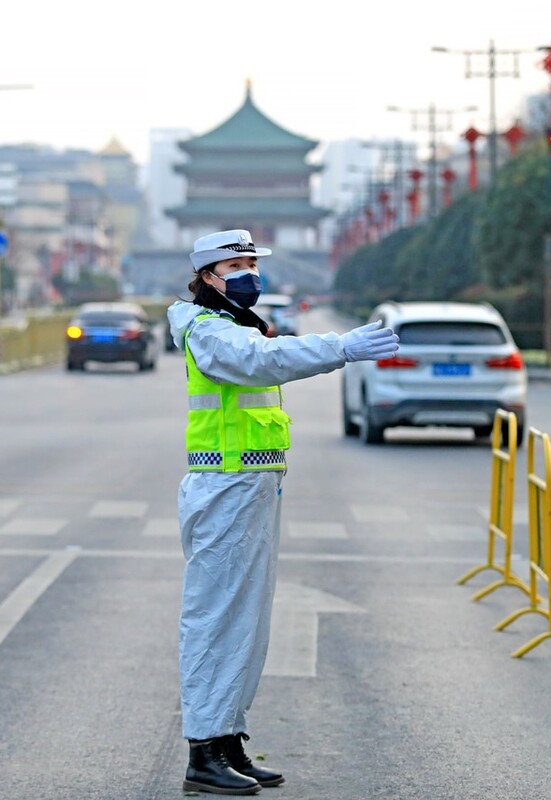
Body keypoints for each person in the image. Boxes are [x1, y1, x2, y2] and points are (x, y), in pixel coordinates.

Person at [167, 229, 399, 796]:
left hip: (248, 485)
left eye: (253, 262)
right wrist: (340, 347)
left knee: (246, 618)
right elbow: (264, 361)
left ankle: (227, 737)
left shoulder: (233, 327)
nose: (251, 273)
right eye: (240, 264)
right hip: (224, 484)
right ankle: (204, 750)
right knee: (216, 618)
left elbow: (264, 351)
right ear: (209, 277)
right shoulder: (208, 331)